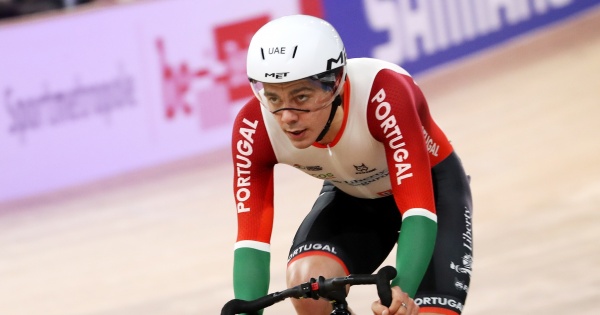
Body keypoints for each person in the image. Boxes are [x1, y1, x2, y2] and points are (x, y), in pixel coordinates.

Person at [230, 14, 473, 315]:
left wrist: (403, 291)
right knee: (308, 286)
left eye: (301, 96)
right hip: (353, 198)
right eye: (273, 98)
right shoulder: (253, 127)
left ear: (334, 85)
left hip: (430, 192)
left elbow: (417, 210)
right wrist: (246, 310)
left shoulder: (385, 93)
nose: (287, 117)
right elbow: (251, 237)